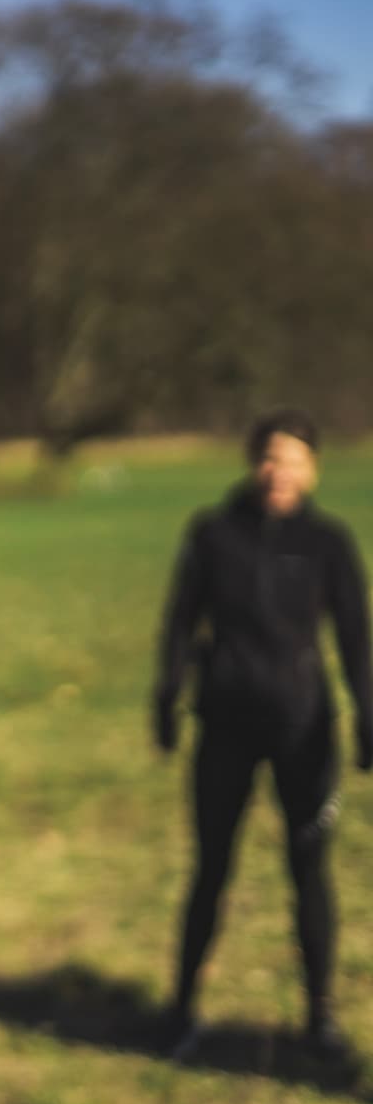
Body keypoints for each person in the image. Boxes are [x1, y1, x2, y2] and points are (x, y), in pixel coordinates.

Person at [154, 407, 373, 1060]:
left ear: (313, 470)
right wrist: (166, 699)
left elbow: (356, 638)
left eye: (294, 460)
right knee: (211, 868)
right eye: (270, 458)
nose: (280, 472)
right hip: (225, 726)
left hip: (304, 728)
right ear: (254, 464)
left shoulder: (329, 544)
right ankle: (182, 1008)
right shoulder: (214, 534)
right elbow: (179, 622)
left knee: (309, 872)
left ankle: (319, 1018)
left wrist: (368, 714)